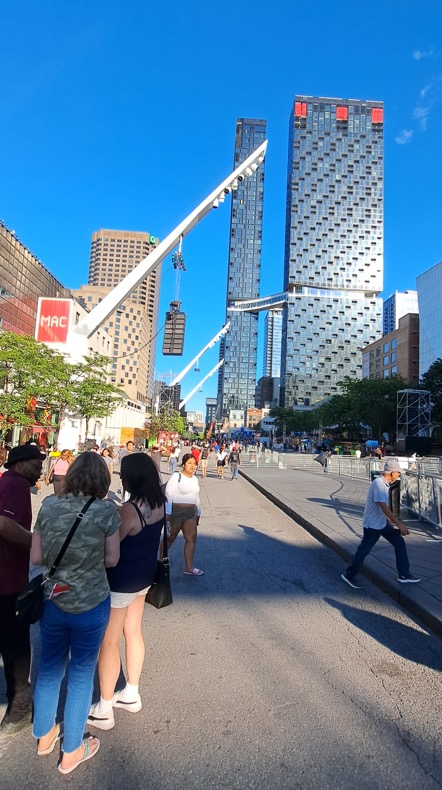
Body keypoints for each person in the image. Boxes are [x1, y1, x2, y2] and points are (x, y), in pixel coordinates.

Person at [31, 453, 121, 774]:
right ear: (102, 479)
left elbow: (37, 556)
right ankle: (71, 750)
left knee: (49, 669)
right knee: (81, 675)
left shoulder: (48, 506)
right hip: (91, 603)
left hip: (54, 599)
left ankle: (44, 736)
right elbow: (112, 559)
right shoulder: (106, 512)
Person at [87, 454, 166, 731]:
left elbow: (110, 547)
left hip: (119, 583)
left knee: (109, 642)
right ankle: (131, 692)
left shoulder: (129, 511)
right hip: (143, 578)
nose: (122, 478)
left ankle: (104, 707)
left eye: (124, 474)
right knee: (133, 632)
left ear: (133, 477)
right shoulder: (159, 503)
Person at [0, 444, 46, 735]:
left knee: (10, 642)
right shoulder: (16, 484)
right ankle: (20, 705)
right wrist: (35, 543)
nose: (40, 469)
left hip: (8, 574)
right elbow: (4, 524)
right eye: (36, 464)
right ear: (19, 464)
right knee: (15, 644)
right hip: (7, 577)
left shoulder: (8, 482)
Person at [341, 459, 420, 589]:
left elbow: (384, 509)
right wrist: (399, 524)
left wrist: (390, 524)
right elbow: (383, 507)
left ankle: (404, 574)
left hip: (382, 523)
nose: (399, 475)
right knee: (364, 550)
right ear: (392, 473)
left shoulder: (384, 484)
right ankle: (349, 574)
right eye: (398, 473)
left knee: (399, 543)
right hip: (372, 525)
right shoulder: (379, 484)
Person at [165, 453, 203, 576]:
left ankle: (188, 567)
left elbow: (196, 496)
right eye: (189, 463)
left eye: (194, 464)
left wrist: (198, 512)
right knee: (170, 538)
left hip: (190, 513)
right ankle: (158, 562)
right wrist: (168, 513)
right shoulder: (177, 476)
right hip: (176, 512)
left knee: (191, 538)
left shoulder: (195, 479)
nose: (192, 466)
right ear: (184, 464)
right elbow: (168, 494)